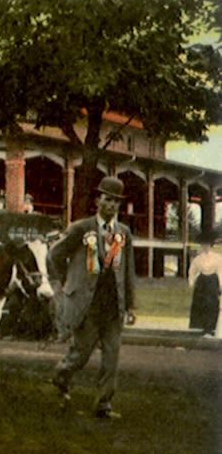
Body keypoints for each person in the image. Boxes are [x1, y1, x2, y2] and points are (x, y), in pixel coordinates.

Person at [49, 176, 137, 420]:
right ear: (98, 200)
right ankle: (62, 376)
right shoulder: (81, 228)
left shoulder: (123, 234)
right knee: (80, 354)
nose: (111, 206)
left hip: (113, 307)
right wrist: (64, 285)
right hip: (87, 307)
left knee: (112, 358)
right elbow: (54, 256)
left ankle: (103, 405)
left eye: (117, 202)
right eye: (108, 200)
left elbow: (128, 271)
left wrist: (130, 305)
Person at [187, 230, 221, 338]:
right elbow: (192, 271)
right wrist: (191, 282)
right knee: (201, 304)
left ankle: (210, 328)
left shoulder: (217, 258)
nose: (205, 247)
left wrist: (221, 285)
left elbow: (220, 271)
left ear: (211, 246)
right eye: (203, 245)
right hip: (202, 282)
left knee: (211, 304)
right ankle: (201, 327)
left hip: (212, 281)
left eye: (207, 245)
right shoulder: (198, 258)